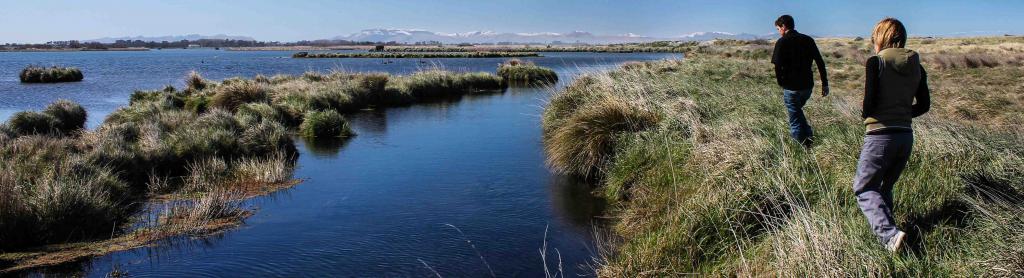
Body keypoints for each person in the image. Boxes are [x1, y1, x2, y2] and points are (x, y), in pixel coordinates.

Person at [853, 17, 931, 253]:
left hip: (879, 136)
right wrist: (902, 114)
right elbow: (924, 105)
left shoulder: (875, 63)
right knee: (884, 188)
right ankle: (891, 240)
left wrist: (870, 114)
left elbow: (869, 106)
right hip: (905, 136)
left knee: (864, 188)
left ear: (880, 37)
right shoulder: (917, 65)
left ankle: (889, 236)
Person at [771, 15, 829, 147]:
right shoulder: (808, 40)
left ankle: (801, 149)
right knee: (797, 112)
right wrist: (825, 83)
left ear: (784, 27)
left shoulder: (782, 42)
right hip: (807, 86)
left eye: (778, 29)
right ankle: (808, 138)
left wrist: (781, 82)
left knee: (795, 119)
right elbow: (820, 62)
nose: (779, 32)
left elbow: (777, 66)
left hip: (791, 88)